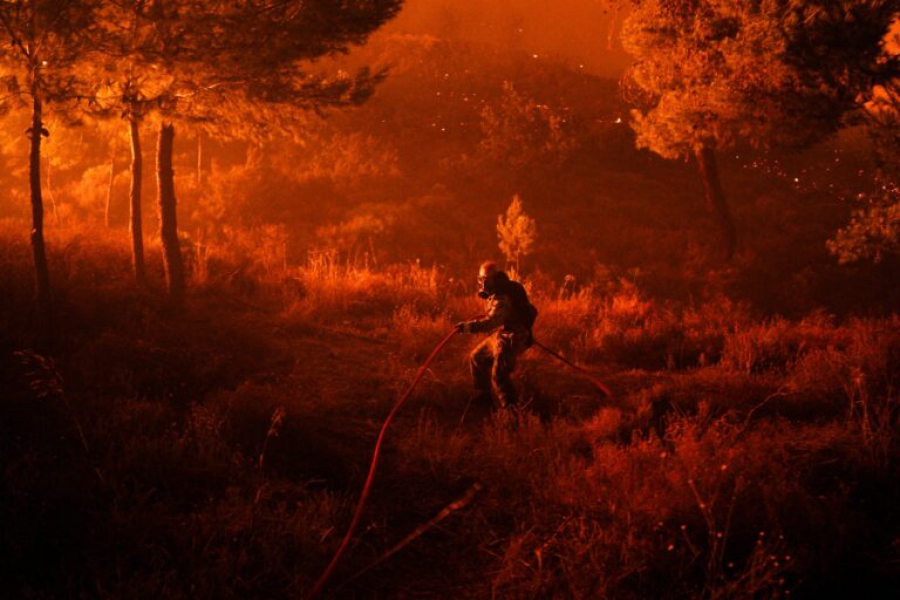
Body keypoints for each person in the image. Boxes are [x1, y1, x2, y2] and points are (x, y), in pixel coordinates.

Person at [455, 261, 538, 410]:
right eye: (479, 279)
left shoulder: (502, 298)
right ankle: (484, 397)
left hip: (513, 337)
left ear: (490, 279)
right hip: (504, 333)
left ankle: (511, 412)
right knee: (477, 357)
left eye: (482, 279)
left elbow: (491, 323)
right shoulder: (500, 290)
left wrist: (467, 328)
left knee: (499, 375)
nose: (481, 283)